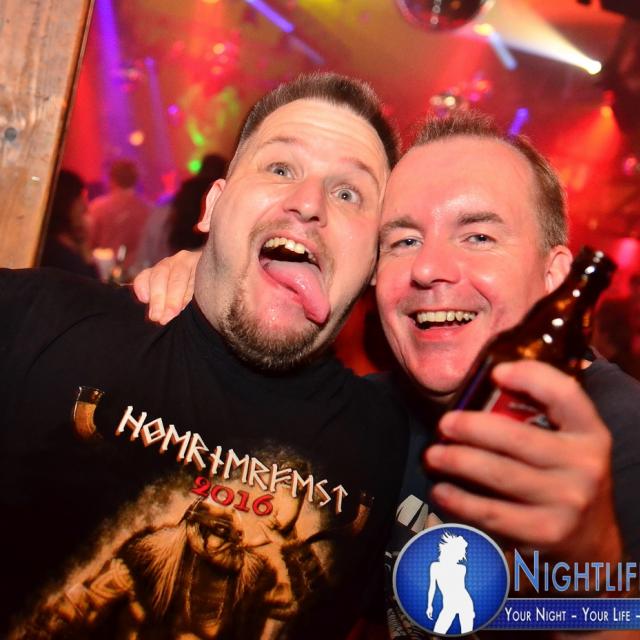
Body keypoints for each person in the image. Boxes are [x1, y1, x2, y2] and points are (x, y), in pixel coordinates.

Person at [137, 110, 640, 640]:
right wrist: (211, 278)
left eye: (478, 237)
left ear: (557, 278)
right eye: (403, 242)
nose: (428, 269)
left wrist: (594, 579)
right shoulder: (366, 418)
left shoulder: (620, 440)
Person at [0, 72, 409, 639]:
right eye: (280, 168)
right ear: (214, 206)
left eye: (348, 193)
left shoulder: (395, 445)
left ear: (376, 261)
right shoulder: (36, 321)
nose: (309, 203)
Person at [88, 158, 152, 273]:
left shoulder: (98, 207)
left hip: (101, 271)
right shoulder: (147, 211)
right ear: (136, 180)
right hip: (135, 272)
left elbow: (89, 240)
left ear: (112, 180)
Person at [40, 169, 99, 279]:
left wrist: (83, 245)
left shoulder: (69, 242)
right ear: (65, 202)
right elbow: (90, 284)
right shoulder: (54, 250)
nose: (85, 207)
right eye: (80, 199)